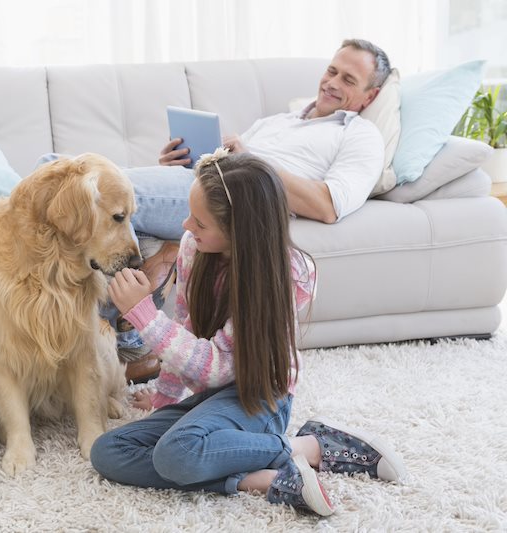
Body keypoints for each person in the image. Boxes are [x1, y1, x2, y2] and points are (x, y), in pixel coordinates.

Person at [90, 150, 406, 516]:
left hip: (259, 396)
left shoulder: (282, 277)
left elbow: (217, 367)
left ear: (240, 228)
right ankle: (260, 478)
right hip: (211, 397)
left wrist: (143, 314)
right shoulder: (194, 248)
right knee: (109, 452)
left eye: (200, 222)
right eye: (191, 214)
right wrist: (166, 399)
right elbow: (187, 327)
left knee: (177, 453)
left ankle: (309, 447)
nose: (186, 226)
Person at [123, 38, 392, 380]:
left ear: (370, 96)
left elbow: (328, 205)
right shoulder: (279, 121)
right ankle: (154, 273)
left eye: (349, 80)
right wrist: (171, 166)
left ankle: (132, 345)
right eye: (332, 71)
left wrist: (251, 159)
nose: (332, 83)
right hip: (197, 185)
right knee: (56, 169)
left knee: (100, 197)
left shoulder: (361, 135)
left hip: (234, 202)